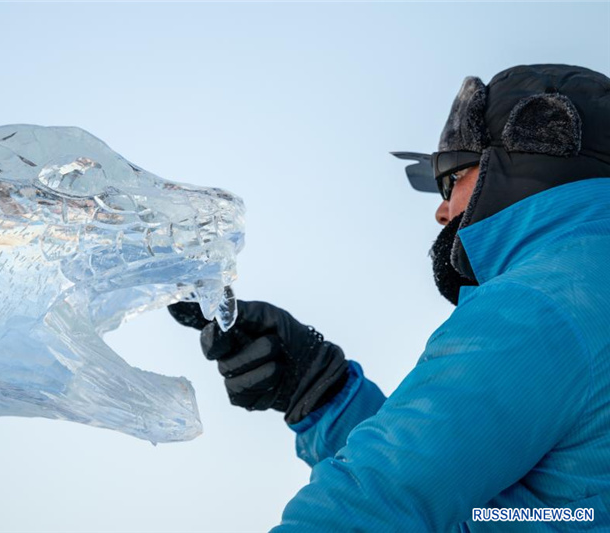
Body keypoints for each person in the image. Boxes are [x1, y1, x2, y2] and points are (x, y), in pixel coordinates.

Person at [168, 64, 610, 531]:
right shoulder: (586, 292)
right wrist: (320, 389)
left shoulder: (539, 306)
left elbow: (370, 506)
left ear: (526, 159)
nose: (442, 211)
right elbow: (500, 514)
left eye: (451, 177)